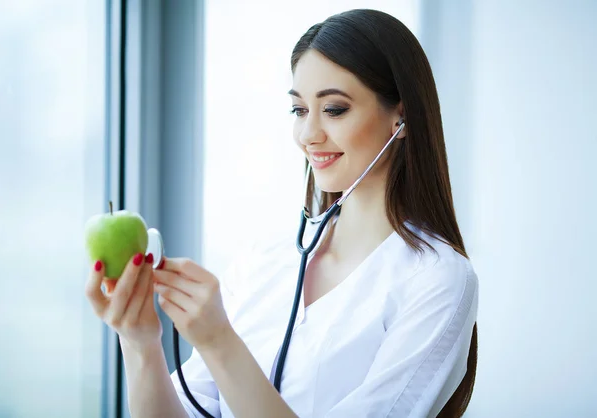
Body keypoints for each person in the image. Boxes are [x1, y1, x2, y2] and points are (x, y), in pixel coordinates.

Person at [85, 8, 479, 418]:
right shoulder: (263, 261)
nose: (308, 135)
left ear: (403, 116)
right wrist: (139, 341)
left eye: (334, 109)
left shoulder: (437, 280)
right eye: (299, 110)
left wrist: (220, 342)